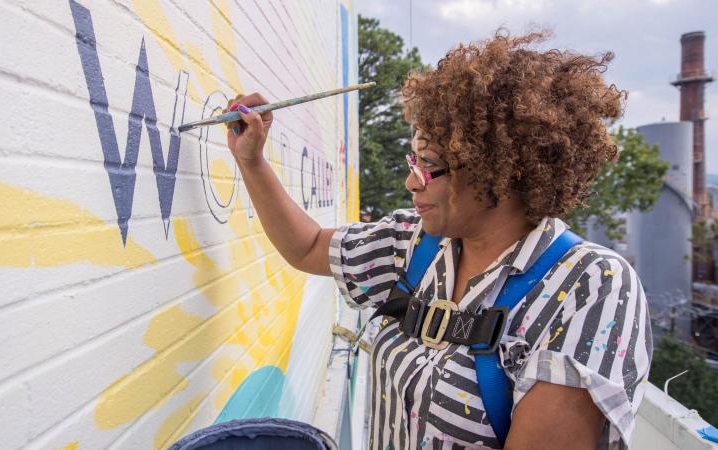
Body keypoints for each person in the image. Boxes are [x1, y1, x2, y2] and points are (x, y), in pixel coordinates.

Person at [224, 30, 651, 450]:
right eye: (415, 160)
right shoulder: (414, 244)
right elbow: (309, 246)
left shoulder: (591, 288)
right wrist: (252, 160)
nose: (411, 182)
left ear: (497, 171)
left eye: (428, 165)